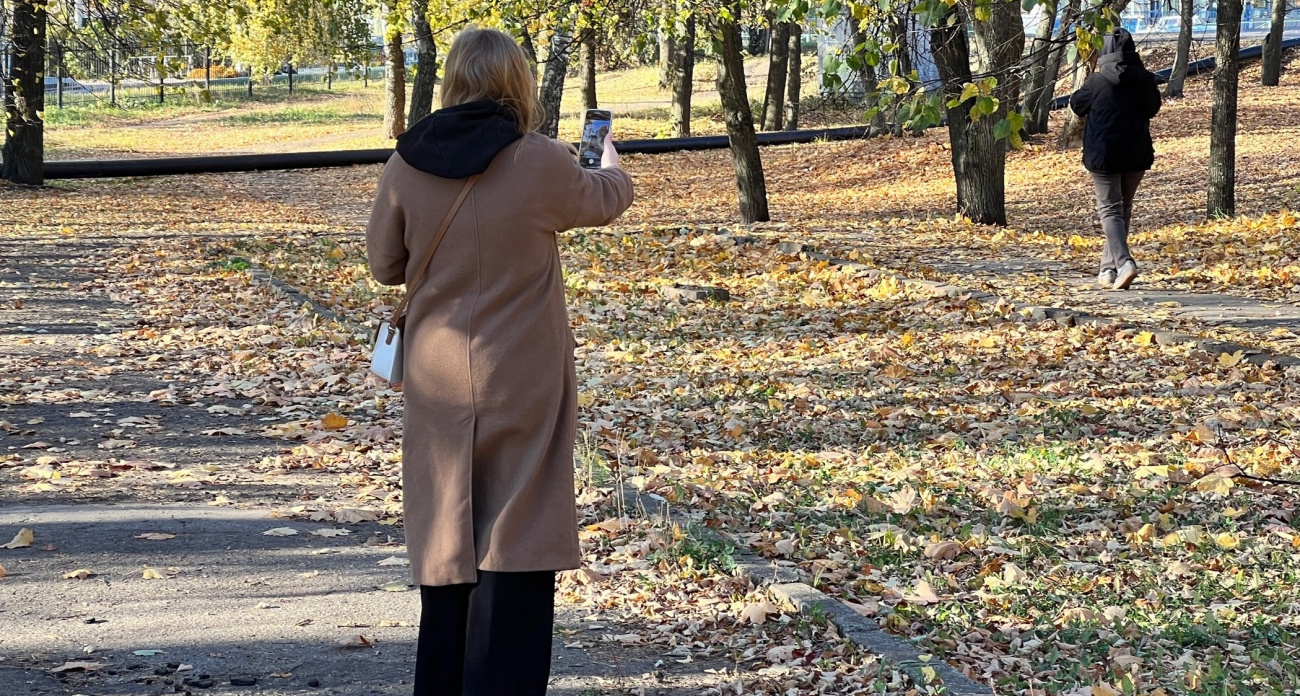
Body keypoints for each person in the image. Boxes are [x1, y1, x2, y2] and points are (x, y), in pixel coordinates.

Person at [365, 26, 634, 696]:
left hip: (437, 375)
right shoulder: (536, 161)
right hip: (523, 375)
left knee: (447, 529)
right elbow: (605, 200)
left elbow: (383, 264)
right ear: (517, 81)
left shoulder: (407, 161)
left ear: (454, 78)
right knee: (516, 529)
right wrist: (611, 160)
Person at [1069, 27, 1162, 290]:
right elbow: (1153, 108)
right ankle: (1107, 270)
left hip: (1104, 156)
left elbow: (1077, 105)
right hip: (1136, 154)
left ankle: (1124, 263)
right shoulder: (1145, 79)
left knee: (1110, 210)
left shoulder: (1097, 82)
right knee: (1122, 210)